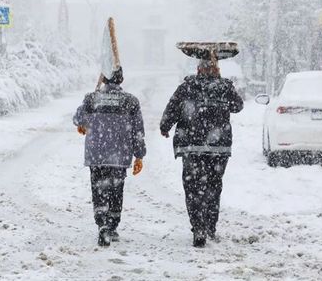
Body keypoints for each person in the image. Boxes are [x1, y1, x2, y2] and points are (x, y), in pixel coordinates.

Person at [159, 58, 243, 248]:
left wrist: (165, 126)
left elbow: (172, 107)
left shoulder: (187, 87)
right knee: (213, 186)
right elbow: (238, 106)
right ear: (216, 70)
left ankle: (198, 227)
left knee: (193, 187)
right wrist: (223, 87)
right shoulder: (225, 87)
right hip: (218, 147)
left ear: (198, 69)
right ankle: (210, 225)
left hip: (192, 146)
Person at [74, 67, 146, 247]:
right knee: (116, 189)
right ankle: (112, 225)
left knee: (99, 189)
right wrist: (139, 155)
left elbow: (78, 119)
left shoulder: (92, 98)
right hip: (120, 155)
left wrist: (92, 99)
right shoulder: (131, 101)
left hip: (97, 154)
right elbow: (138, 131)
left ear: (103, 78)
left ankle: (102, 224)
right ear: (121, 79)